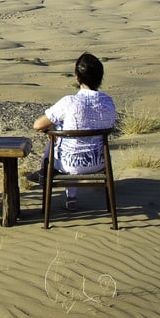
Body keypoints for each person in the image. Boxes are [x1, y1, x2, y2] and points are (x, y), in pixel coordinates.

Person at [29, 53, 117, 210]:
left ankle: (45, 172)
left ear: (78, 78)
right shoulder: (108, 102)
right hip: (100, 162)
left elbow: (37, 125)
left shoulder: (69, 102)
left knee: (57, 136)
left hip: (69, 164)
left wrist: (52, 129)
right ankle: (71, 199)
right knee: (67, 135)